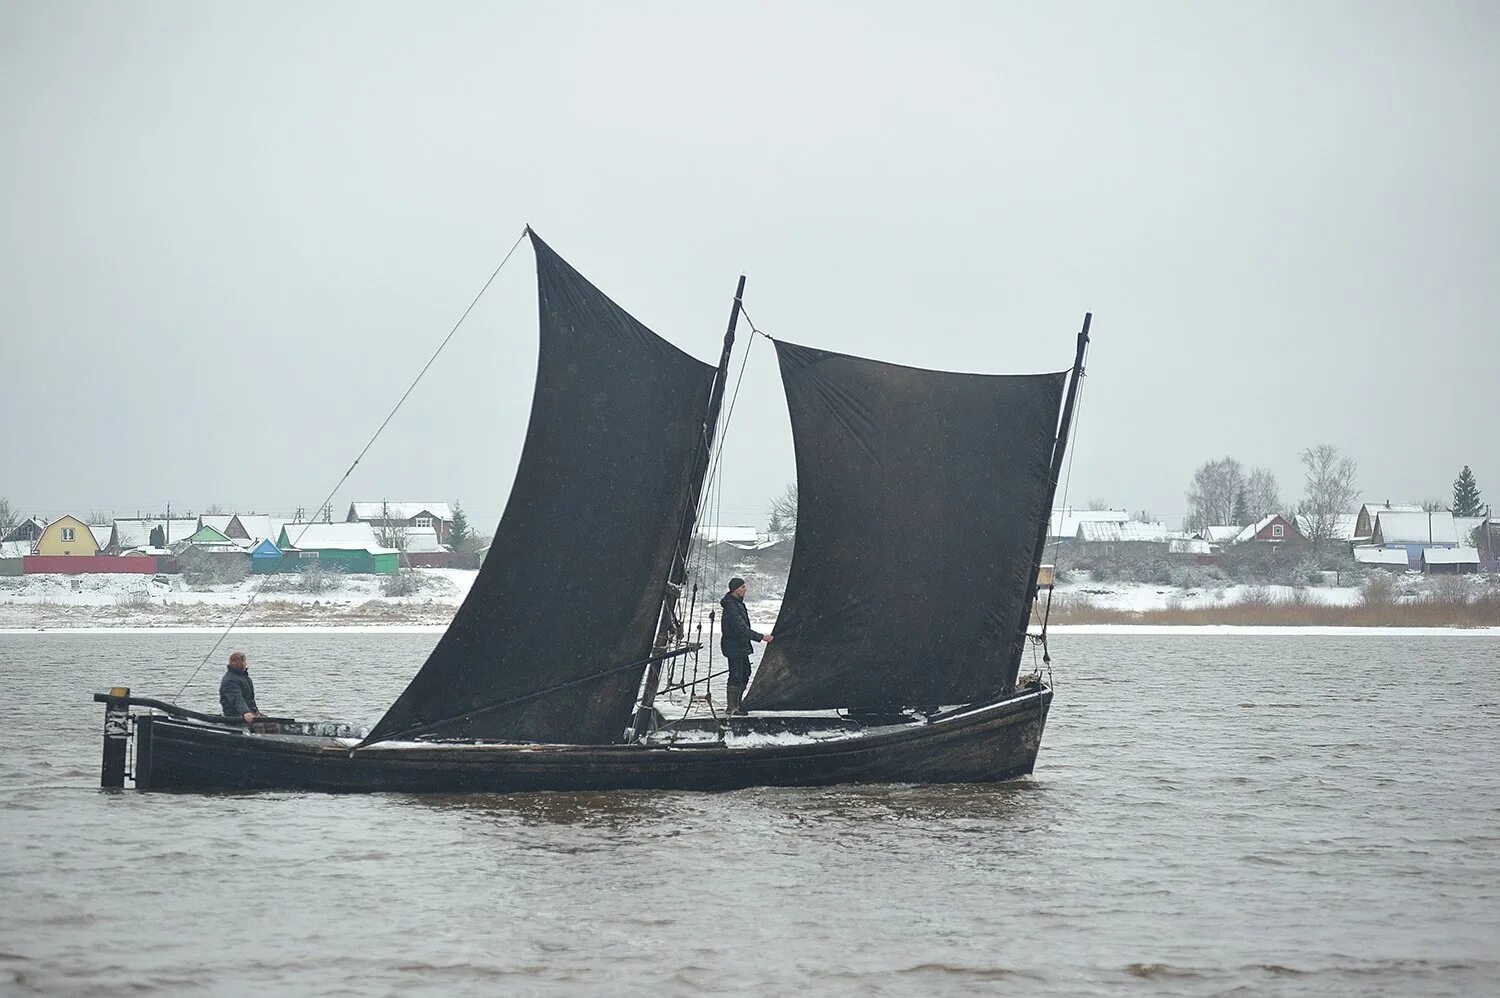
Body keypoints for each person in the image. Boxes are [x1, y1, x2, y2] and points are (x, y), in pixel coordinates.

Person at [719, 576, 772, 716]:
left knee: (745, 672)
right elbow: (740, 628)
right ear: (735, 590)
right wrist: (761, 637)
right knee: (736, 674)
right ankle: (732, 707)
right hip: (733, 645)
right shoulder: (731, 606)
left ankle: (738, 702)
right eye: (742, 587)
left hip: (741, 645)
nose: (745, 589)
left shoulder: (738, 603)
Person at [220, 651, 262, 724]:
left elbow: (250, 699)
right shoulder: (230, 680)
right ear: (239, 663)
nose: (246, 663)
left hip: (250, 712)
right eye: (244, 661)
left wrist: (256, 711)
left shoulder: (244, 677)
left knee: (272, 724)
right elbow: (236, 698)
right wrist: (245, 712)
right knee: (259, 727)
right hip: (236, 715)